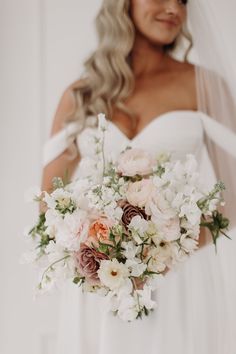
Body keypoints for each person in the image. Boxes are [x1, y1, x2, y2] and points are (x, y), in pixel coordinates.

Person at [41, 1, 236, 353]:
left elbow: (234, 198)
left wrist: (163, 251)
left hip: (177, 284)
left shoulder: (205, 86)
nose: (174, 8)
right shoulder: (81, 95)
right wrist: (97, 249)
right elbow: (48, 205)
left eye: (183, 0)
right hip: (99, 289)